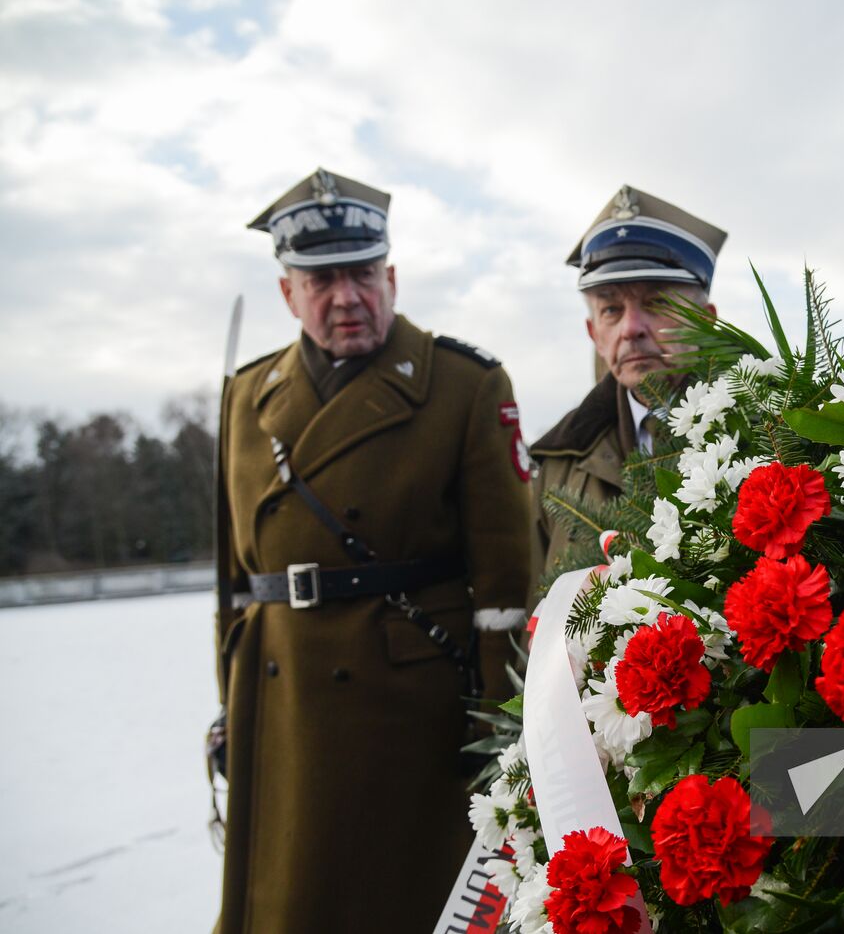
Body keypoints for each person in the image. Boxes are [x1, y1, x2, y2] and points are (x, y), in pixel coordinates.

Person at [212, 168, 532, 934]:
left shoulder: (463, 384)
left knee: (412, 902)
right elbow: (233, 583)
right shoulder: (246, 395)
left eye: (361, 274)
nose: (345, 297)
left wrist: (499, 733)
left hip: (414, 709)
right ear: (289, 294)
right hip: (283, 699)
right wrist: (231, 704)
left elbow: (505, 584)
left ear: (391, 276)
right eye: (320, 280)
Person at [529, 185, 726, 596]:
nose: (631, 329)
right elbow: (536, 622)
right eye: (611, 310)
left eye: (655, 303)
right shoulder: (557, 464)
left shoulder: (770, 431)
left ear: (706, 321)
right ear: (594, 334)